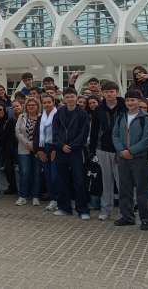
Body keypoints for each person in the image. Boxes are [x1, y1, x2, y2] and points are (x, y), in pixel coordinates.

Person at [112, 89, 148, 231]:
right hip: (123, 158)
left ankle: (146, 219)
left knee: (143, 190)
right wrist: (122, 151)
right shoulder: (121, 117)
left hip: (140, 159)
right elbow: (115, 135)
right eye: (128, 100)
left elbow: (147, 139)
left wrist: (131, 151)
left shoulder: (145, 119)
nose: (130, 103)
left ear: (139, 102)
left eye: (133, 100)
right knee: (125, 188)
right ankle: (127, 217)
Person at [90, 80, 126, 221]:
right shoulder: (99, 109)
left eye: (112, 91)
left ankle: (125, 211)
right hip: (103, 149)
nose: (109, 94)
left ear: (116, 92)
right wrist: (92, 150)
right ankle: (106, 210)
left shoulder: (124, 107)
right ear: (102, 93)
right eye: (106, 92)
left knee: (122, 182)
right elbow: (94, 131)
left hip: (120, 150)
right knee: (106, 181)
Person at [52, 88, 91, 219]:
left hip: (76, 151)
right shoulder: (59, 113)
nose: (70, 99)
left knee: (79, 180)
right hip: (61, 151)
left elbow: (83, 133)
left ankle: (83, 210)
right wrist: (61, 145)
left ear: (76, 97)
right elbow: (55, 132)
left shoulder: (82, 113)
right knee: (62, 180)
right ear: (64, 98)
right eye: (67, 97)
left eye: (72, 96)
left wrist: (72, 146)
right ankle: (64, 207)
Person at [15, 97, 41, 206]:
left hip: (38, 149)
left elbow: (43, 133)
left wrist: (34, 145)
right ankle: (23, 196)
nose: (31, 107)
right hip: (24, 148)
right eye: (29, 105)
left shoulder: (41, 117)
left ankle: (35, 196)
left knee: (37, 173)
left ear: (37, 106)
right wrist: (27, 143)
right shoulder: (22, 116)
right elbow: (17, 131)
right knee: (24, 173)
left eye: (33, 105)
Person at [36, 94, 58, 211]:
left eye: (49, 102)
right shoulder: (41, 117)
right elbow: (37, 134)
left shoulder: (58, 114)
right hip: (44, 147)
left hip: (55, 148)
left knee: (56, 176)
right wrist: (39, 150)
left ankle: (61, 199)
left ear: (53, 102)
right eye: (44, 103)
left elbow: (60, 133)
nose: (47, 104)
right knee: (48, 175)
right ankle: (53, 199)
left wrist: (55, 149)